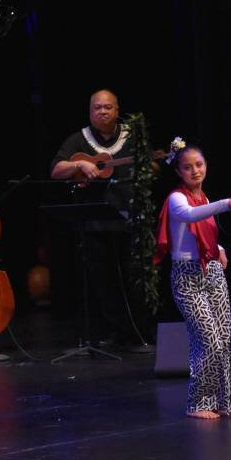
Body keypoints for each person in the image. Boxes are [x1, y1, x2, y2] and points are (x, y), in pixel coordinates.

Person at [154, 138, 231, 419]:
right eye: (188, 167)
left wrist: (219, 249)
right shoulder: (177, 198)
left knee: (221, 339)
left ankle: (221, 401)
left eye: (199, 165)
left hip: (212, 274)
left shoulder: (204, 197)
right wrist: (227, 203)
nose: (195, 171)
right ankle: (199, 403)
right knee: (207, 339)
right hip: (187, 279)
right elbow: (188, 216)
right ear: (179, 172)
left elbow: (206, 233)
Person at [49, 89, 149, 348]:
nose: (102, 112)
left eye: (107, 107)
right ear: (90, 111)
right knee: (103, 282)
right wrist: (78, 165)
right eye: (97, 108)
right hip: (94, 223)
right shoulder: (78, 140)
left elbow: (150, 166)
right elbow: (56, 170)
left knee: (133, 277)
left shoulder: (132, 136)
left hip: (129, 219)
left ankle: (139, 332)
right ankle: (114, 332)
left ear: (117, 109)